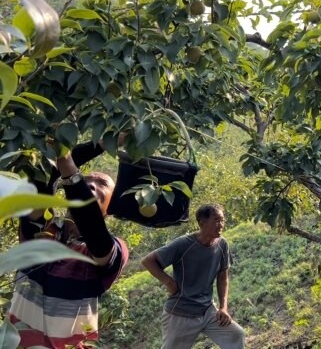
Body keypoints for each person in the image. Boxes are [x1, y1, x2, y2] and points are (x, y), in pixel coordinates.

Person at [8, 143, 130, 349]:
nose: (91, 185)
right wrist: (101, 143)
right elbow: (43, 176)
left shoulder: (114, 249)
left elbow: (95, 232)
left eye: (102, 184)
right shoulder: (42, 230)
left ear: (109, 209)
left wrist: (70, 171)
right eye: (87, 181)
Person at [142, 203, 245, 349]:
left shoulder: (222, 245)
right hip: (181, 313)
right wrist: (169, 282)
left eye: (222, 220)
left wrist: (223, 307)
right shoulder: (184, 244)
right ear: (202, 223)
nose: (221, 224)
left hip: (207, 311)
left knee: (236, 335)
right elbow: (148, 261)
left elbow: (223, 277)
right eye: (216, 220)